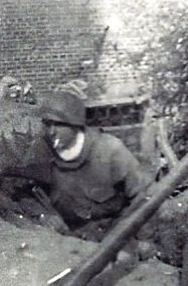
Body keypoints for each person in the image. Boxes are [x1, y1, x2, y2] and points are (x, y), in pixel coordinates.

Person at [39, 91, 149, 241]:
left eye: (58, 124)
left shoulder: (110, 150)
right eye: (47, 124)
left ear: (75, 125)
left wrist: (126, 232)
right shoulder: (42, 154)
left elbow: (142, 195)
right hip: (65, 240)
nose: (51, 132)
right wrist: (45, 215)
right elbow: (27, 193)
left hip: (112, 236)